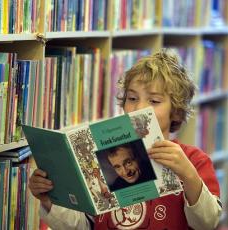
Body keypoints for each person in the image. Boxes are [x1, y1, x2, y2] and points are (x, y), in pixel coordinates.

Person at [28, 50, 222, 229]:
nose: (139, 109)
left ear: (177, 112)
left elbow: (207, 223)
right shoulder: (104, 159)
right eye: (132, 98)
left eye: (154, 101)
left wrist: (189, 175)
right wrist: (48, 199)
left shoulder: (193, 160)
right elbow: (83, 226)